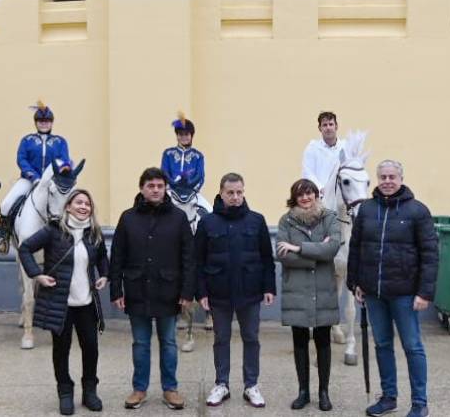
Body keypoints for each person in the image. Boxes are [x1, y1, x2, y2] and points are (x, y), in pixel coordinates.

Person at [347, 160, 438, 417]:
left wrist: (424, 292)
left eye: (392, 176)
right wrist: (355, 283)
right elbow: (356, 249)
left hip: (406, 294)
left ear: (401, 178)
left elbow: (430, 255)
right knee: (382, 344)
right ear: (377, 179)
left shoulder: (417, 211)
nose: (387, 181)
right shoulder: (366, 209)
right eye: (383, 176)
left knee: (413, 346)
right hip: (374, 293)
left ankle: (419, 403)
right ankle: (389, 397)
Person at [110, 168, 195, 410]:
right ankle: (139, 389)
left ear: (165, 188)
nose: (155, 189)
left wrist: (188, 292)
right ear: (142, 189)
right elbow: (117, 256)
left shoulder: (178, 218)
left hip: (169, 292)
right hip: (137, 291)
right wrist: (116, 290)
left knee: (168, 342)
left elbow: (189, 258)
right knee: (140, 343)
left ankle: (170, 389)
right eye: (150, 185)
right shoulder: (128, 218)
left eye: (159, 185)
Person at [20, 189, 110, 415]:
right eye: (78, 202)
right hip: (60, 303)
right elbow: (25, 248)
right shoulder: (53, 231)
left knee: (91, 348)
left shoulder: (93, 233)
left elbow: (102, 257)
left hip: (86, 303)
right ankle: (65, 392)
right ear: (68, 206)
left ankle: (90, 391)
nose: (83, 207)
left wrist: (104, 276)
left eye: (87, 204)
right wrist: (36, 274)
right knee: (61, 350)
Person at [196, 173, 276, 409]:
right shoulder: (207, 223)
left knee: (251, 338)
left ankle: (251, 385)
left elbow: (266, 258)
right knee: (221, 339)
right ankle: (222, 384)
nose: (235, 197)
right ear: (221, 193)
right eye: (230, 192)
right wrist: (201, 292)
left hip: (250, 293)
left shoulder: (256, 220)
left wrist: (269, 287)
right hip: (218, 293)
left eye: (239, 192)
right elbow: (197, 261)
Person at [276, 178, 342, 412]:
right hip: (297, 291)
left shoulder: (330, 217)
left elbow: (333, 247)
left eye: (309, 193)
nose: (305, 198)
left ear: (316, 195)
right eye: (300, 194)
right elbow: (282, 255)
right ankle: (303, 391)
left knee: (324, 341)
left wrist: (299, 247)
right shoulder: (286, 221)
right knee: (300, 342)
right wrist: (317, 252)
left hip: (323, 290)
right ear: (294, 198)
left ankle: (323, 392)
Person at [0, 100, 75, 255]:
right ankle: (4, 239)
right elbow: (21, 159)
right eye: (41, 121)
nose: (44, 124)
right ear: (36, 123)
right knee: (5, 204)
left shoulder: (60, 142)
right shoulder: (27, 140)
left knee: (69, 203)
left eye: (47, 121)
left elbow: (64, 159)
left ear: (51, 123)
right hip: (29, 180)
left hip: (52, 182)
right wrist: (33, 176)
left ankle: (75, 238)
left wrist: (63, 168)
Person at [161, 112, 210, 215]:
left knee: (209, 210)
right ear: (177, 135)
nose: (184, 137)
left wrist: (191, 187)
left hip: (192, 192)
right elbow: (164, 172)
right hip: (171, 191)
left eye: (186, 134)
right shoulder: (168, 153)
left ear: (191, 136)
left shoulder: (198, 156)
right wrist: (174, 183)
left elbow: (200, 175)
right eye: (180, 134)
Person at [301, 111, 345, 192]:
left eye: (331, 124)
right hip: (319, 197)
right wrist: (321, 189)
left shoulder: (345, 147)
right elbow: (307, 173)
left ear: (336, 126)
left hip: (342, 197)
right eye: (324, 125)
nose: (328, 128)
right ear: (319, 128)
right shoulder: (312, 148)